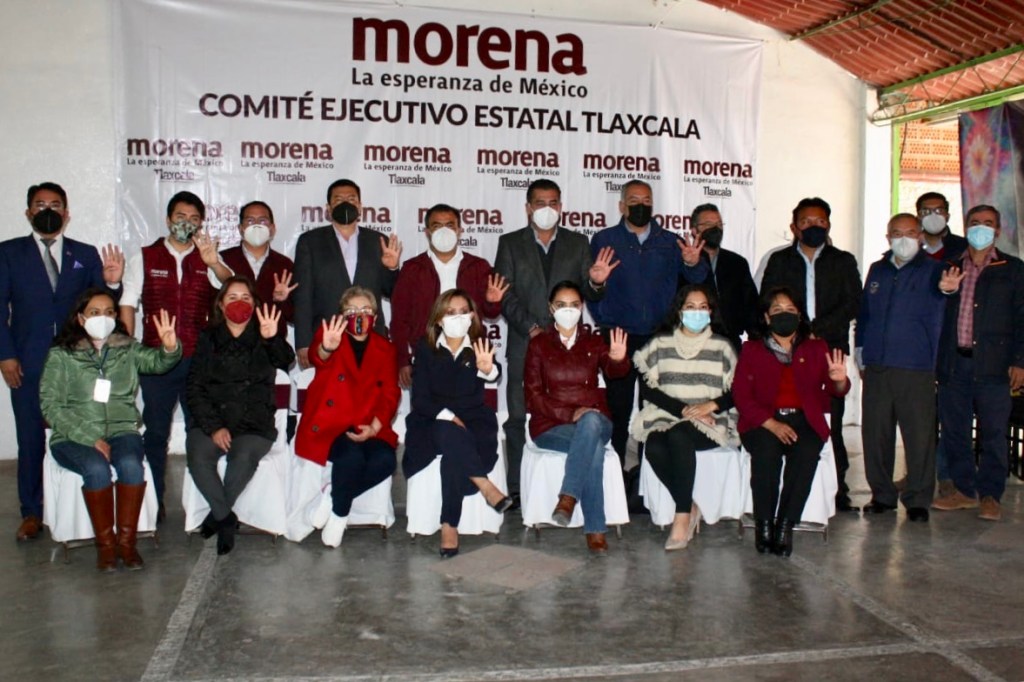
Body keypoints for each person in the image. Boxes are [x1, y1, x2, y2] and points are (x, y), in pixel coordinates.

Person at [0, 182, 125, 541]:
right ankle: (32, 512)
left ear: (66, 214)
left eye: (55, 204)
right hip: (27, 361)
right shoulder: (8, 253)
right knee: (30, 438)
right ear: (28, 212)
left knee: (83, 431)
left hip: (78, 364)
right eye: (40, 205)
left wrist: (113, 285)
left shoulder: (84, 254)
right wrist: (6, 355)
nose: (48, 210)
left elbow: (101, 306)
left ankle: (86, 509)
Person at [39, 289, 181, 570]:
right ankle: (105, 547)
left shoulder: (127, 348)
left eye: (108, 312)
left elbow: (157, 363)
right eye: (94, 312)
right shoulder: (61, 354)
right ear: (80, 318)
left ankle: (126, 545)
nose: (102, 318)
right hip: (73, 435)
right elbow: (50, 405)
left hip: (122, 429)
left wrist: (169, 348)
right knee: (96, 469)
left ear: (116, 317)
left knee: (131, 466)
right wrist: (89, 437)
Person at [494, 178, 616, 501]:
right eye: (540, 203)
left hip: (570, 345)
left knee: (572, 410)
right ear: (528, 208)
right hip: (524, 343)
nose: (547, 209)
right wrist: (532, 328)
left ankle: (566, 491)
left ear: (561, 207)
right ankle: (517, 488)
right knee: (517, 416)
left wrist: (597, 283)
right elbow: (505, 295)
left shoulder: (578, 242)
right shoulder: (510, 243)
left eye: (553, 203)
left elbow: (587, 293)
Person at [119, 190, 229, 521]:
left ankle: (202, 506)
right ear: (168, 220)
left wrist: (213, 262)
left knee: (200, 433)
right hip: (156, 361)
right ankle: (154, 503)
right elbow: (127, 303)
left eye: (194, 219)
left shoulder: (206, 257)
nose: (187, 224)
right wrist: (126, 346)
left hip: (197, 361)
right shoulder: (145, 257)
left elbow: (232, 286)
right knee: (155, 433)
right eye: (181, 217)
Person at [589, 179, 709, 466]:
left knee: (655, 410)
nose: (641, 206)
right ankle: (616, 475)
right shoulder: (604, 239)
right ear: (622, 206)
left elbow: (696, 280)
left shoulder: (670, 241)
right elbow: (592, 288)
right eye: (634, 201)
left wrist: (693, 263)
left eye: (646, 201)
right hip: (618, 337)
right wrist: (598, 293)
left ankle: (648, 478)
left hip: (658, 337)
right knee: (617, 409)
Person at [760, 197, 861, 513]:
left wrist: (818, 330)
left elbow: (853, 302)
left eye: (820, 221)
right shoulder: (779, 261)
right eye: (806, 221)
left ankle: (838, 488)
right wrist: (800, 331)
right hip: (788, 347)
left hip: (829, 350)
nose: (813, 226)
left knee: (831, 418)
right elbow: (769, 299)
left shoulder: (843, 261)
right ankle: (789, 483)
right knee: (790, 413)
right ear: (794, 227)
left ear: (828, 224)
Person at [733, 287, 850, 557]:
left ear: (799, 315)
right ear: (766, 317)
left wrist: (839, 379)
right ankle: (764, 525)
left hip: (805, 420)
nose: (783, 315)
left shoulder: (816, 347)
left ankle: (785, 525)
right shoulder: (752, 350)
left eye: (790, 310)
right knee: (766, 455)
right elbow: (741, 395)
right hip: (763, 421)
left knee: (806, 454)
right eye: (777, 310)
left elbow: (837, 391)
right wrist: (771, 424)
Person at [185, 276, 294, 555]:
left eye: (246, 297)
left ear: (255, 304)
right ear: (221, 305)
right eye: (232, 297)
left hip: (253, 422)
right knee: (198, 455)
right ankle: (225, 519)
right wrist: (214, 427)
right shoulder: (208, 338)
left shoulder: (264, 333)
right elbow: (194, 387)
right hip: (213, 419)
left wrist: (272, 339)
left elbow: (286, 360)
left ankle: (216, 516)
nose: (239, 302)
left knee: (243, 457)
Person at [932, 205, 1024, 522]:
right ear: (966, 226)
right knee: (955, 431)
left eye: (988, 223)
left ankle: (990, 495)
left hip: (995, 366)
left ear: (997, 231)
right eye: (975, 222)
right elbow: (932, 312)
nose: (980, 228)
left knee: (994, 435)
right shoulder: (949, 265)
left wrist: (1020, 361)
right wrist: (944, 292)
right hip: (954, 364)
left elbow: (1022, 318)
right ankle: (964, 491)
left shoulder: (1012, 269)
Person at [403, 289, 511, 558]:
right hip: (431, 419)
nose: (458, 317)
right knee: (447, 431)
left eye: (463, 311)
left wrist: (488, 369)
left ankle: (449, 526)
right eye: (450, 312)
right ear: (439, 319)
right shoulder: (425, 347)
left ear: (472, 316)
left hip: (473, 419)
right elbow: (420, 399)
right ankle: (485, 486)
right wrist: (448, 416)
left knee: (454, 453)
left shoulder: (479, 344)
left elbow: (494, 374)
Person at [855, 214, 949, 523]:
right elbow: (865, 314)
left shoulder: (935, 270)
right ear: (888, 237)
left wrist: (949, 289)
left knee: (919, 436)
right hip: (877, 365)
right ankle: (882, 495)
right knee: (876, 434)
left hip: (916, 367)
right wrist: (860, 350)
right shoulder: (878, 269)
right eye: (897, 233)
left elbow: (946, 294)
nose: (904, 239)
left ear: (920, 236)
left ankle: (918, 499)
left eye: (910, 232)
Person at [631, 284, 739, 551]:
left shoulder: (723, 346)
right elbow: (648, 389)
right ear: (679, 311)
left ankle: (681, 519)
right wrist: (683, 410)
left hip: (710, 421)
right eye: (690, 307)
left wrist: (710, 405)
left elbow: (739, 392)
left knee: (679, 435)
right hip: (667, 415)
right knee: (654, 445)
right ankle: (690, 506)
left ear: (711, 312)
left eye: (703, 307)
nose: (697, 312)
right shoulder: (660, 343)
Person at [524, 281, 629, 553]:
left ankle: (568, 497)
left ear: (582, 308)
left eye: (574, 305)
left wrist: (618, 360)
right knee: (593, 448)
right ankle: (595, 528)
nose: (568, 310)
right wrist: (571, 414)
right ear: (551, 308)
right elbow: (533, 396)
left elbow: (615, 371)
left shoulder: (594, 341)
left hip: (596, 419)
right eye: (561, 305)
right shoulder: (539, 345)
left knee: (591, 422)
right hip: (550, 425)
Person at [294, 286, 400, 548]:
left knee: (386, 461)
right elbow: (318, 357)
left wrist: (375, 427)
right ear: (342, 315)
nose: (359, 315)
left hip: (369, 424)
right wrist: (326, 348)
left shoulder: (385, 349)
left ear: (375, 316)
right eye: (352, 310)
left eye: (365, 310)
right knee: (351, 457)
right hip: (331, 424)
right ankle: (339, 517)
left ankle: (332, 498)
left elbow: (391, 393)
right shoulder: (331, 336)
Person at [391, 203, 506, 389]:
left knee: (470, 404)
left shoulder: (478, 266)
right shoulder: (412, 268)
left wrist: (492, 302)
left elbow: (491, 314)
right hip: (426, 354)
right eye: (437, 226)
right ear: (427, 232)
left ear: (459, 230)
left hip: (470, 353)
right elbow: (399, 319)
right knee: (426, 405)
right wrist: (403, 360)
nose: (444, 231)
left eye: (450, 225)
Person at [293, 179, 401, 368]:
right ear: (328, 208)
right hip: (327, 339)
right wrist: (303, 342)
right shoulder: (310, 242)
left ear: (360, 207)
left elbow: (390, 291)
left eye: (351, 199)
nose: (345, 204)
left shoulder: (378, 241)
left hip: (370, 337)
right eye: (338, 200)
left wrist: (391, 268)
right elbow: (303, 296)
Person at [217, 201, 297, 338]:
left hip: (272, 344)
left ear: (272, 228)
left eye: (262, 221)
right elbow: (212, 306)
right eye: (250, 221)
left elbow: (294, 316)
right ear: (240, 228)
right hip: (229, 343)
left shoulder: (284, 265)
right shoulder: (222, 260)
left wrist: (282, 301)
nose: (256, 226)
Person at [689, 203, 758, 352]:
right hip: (692, 343)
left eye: (719, 224)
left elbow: (751, 307)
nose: (716, 228)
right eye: (709, 224)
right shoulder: (683, 262)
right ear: (694, 231)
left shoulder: (737, 263)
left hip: (730, 343)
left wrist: (758, 343)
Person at [917, 191, 967, 262]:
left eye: (939, 211)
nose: (933, 216)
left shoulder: (964, 246)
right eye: (926, 212)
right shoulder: (909, 247)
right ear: (918, 218)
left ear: (947, 216)